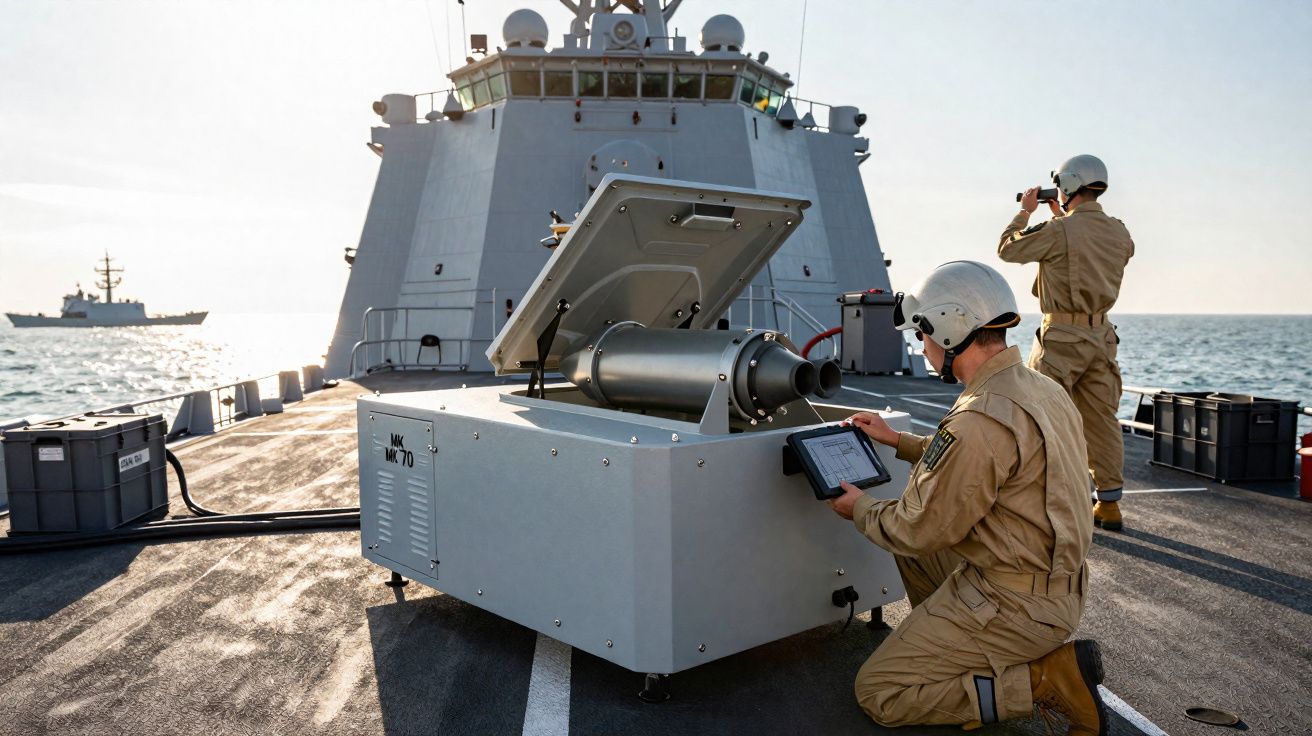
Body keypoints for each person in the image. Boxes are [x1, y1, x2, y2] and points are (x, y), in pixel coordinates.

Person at [826, 261, 1106, 734]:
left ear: (950, 330)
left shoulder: (979, 419)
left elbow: (917, 527)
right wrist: (898, 441)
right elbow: (986, 468)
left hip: (1017, 605)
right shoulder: (1042, 388)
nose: (922, 346)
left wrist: (860, 509)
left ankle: (1042, 680)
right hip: (1055, 587)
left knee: (879, 692)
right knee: (915, 557)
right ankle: (956, 653)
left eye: (924, 334)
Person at [998, 154, 1135, 531]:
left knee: (1038, 417)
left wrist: (1026, 214)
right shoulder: (1120, 231)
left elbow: (1008, 249)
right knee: (1101, 422)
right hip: (1101, 337)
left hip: (1061, 339)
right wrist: (1062, 218)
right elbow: (1091, 249)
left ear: (1070, 184)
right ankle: (1109, 506)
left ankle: (1040, 504)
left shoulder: (1059, 232)